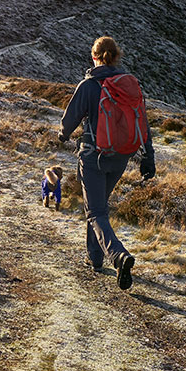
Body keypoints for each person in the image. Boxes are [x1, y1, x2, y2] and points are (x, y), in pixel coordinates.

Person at [58, 36, 155, 290]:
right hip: (121, 158)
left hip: (93, 157)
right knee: (98, 208)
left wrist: (62, 134)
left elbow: (69, 120)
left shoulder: (89, 86)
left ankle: (119, 256)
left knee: (96, 212)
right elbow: (142, 122)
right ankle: (95, 258)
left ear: (95, 57)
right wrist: (149, 157)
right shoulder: (129, 85)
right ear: (116, 57)